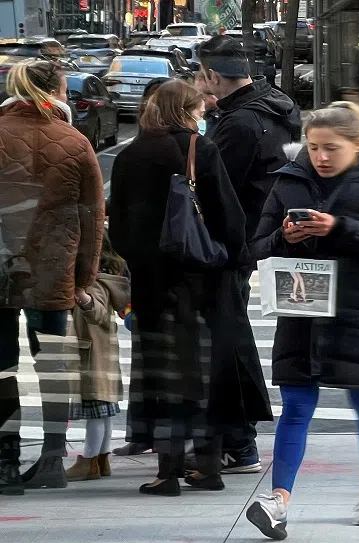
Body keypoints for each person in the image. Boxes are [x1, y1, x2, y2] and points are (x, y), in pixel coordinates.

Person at [245, 101, 359, 539]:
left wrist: (339, 228)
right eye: (313, 147)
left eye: (331, 148)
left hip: (358, 311)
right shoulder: (288, 182)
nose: (321, 157)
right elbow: (256, 246)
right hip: (301, 312)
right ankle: (279, 501)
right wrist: (284, 236)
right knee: (296, 407)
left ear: (358, 145)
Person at [108, 79, 270, 496]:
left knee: (164, 375)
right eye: (198, 109)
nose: (203, 115)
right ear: (186, 110)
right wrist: (232, 260)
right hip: (205, 281)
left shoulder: (131, 155)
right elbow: (228, 218)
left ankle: (167, 471)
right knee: (206, 372)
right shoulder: (202, 149)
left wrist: (143, 260)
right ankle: (208, 467)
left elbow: (120, 230)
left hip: (154, 285)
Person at [0, 60, 105, 494]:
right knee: (54, 363)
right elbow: (92, 219)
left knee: (1, 366)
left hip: (2, 267)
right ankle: (52, 458)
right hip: (53, 270)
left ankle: (5, 461)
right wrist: (83, 279)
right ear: (58, 92)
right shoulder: (76, 142)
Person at [198, 35, 302, 472]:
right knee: (229, 334)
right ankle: (232, 439)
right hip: (257, 236)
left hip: (231, 242)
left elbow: (217, 188)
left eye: (203, 77)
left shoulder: (237, 125)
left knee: (228, 339)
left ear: (215, 77)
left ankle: (239, 442)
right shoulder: (278, 105)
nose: (200, 86)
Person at [111, 76, 171, 459]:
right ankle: (152, 432)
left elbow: (119, 217)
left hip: (153, 268)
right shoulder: (193, 147)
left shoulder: (135, 154)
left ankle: (151, 432)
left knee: (154, 351)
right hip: (171, 267)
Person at [65, 233, 130, 482]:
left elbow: (99, 312)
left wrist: (82, 298)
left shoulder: (93, 284)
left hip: (91, 357)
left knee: (96, 411)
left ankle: (90, 460)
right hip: (99, 355)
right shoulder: (104, 280)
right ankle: (102, 458)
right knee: (103, 412)